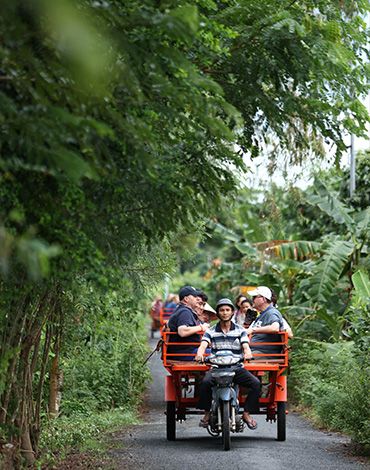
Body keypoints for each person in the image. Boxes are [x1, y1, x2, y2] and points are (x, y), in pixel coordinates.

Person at [195, 298, 261, 430]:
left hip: (235, 368)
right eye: (222, 310)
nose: (225, 313)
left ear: (232, 312)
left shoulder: (240, 330)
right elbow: (203, 345)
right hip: (216, 368)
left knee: (256, 384)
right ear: (218, 313)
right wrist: (199, 354)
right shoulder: (211, 331)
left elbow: (245, 345)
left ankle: (246, 414)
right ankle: (207, 413)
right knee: (204, 383)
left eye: (227, 310)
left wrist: (247, 353)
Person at [167, 286, 209, 360]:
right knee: (218, 353)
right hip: (185, 353)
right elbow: (182, 331)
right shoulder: (184, 312)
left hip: (184, 351)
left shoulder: (182, 310)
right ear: (186, 299)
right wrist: (202, 327)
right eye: (194, 296)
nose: (197, 299)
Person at [245, 286, 284, 358]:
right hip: (255, 350)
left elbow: (275, 328)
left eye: (254, 297)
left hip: (263, 353)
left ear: (263, 299)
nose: (252, 300)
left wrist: (253, 330)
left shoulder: (271, 312)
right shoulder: (263, 314)